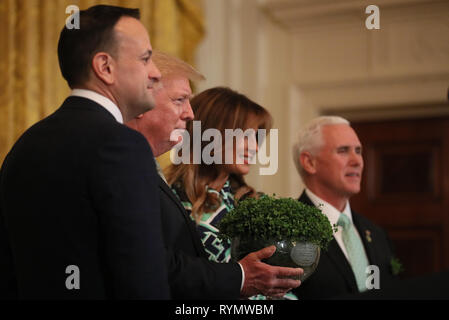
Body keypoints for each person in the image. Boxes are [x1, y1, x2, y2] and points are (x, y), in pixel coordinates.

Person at [0, 5, 169, 299]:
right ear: (105, 67)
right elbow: (143, 282)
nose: (155, 73)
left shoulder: (25, 144)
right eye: (145, 59)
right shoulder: (121, 146)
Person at [126, 52, 303, 299]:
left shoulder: (256, 204)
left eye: (258, 138)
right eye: (246, 136)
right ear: (212, 133)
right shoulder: (165, 193)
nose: (254, 147)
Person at [291, 116, 396, 299]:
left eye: (358, 151)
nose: (358, 161)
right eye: (343, 151)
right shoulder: (284, 233)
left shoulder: (376, 234)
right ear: (309, 162)